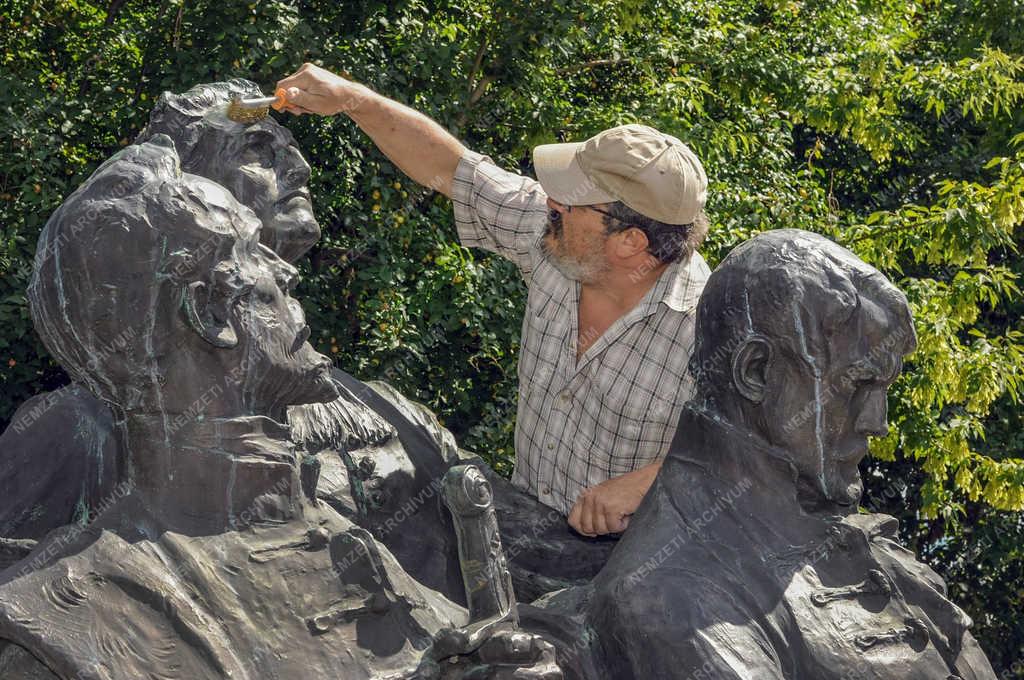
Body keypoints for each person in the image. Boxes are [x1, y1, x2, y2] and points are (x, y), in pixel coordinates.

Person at [0, 137, 562, 680]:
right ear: (208, 314)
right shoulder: (66, 622)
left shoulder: (347, 541)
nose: (287, 272)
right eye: (251, 253)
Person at [276, 63, 712, 536]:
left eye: (570, 200)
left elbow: (770, 467)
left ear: (629, 242)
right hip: (523, 533)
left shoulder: (711, 332)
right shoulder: (554, 239)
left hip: (626, 577)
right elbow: (453, 170)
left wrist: (650, 483)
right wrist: (351, 98)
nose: (550, 201)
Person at [586, 229, 997, 679]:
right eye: (856, 385)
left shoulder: (867, 550)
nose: (876, 422)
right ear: (755, 372)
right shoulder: (674, 599)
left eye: (883, 389)